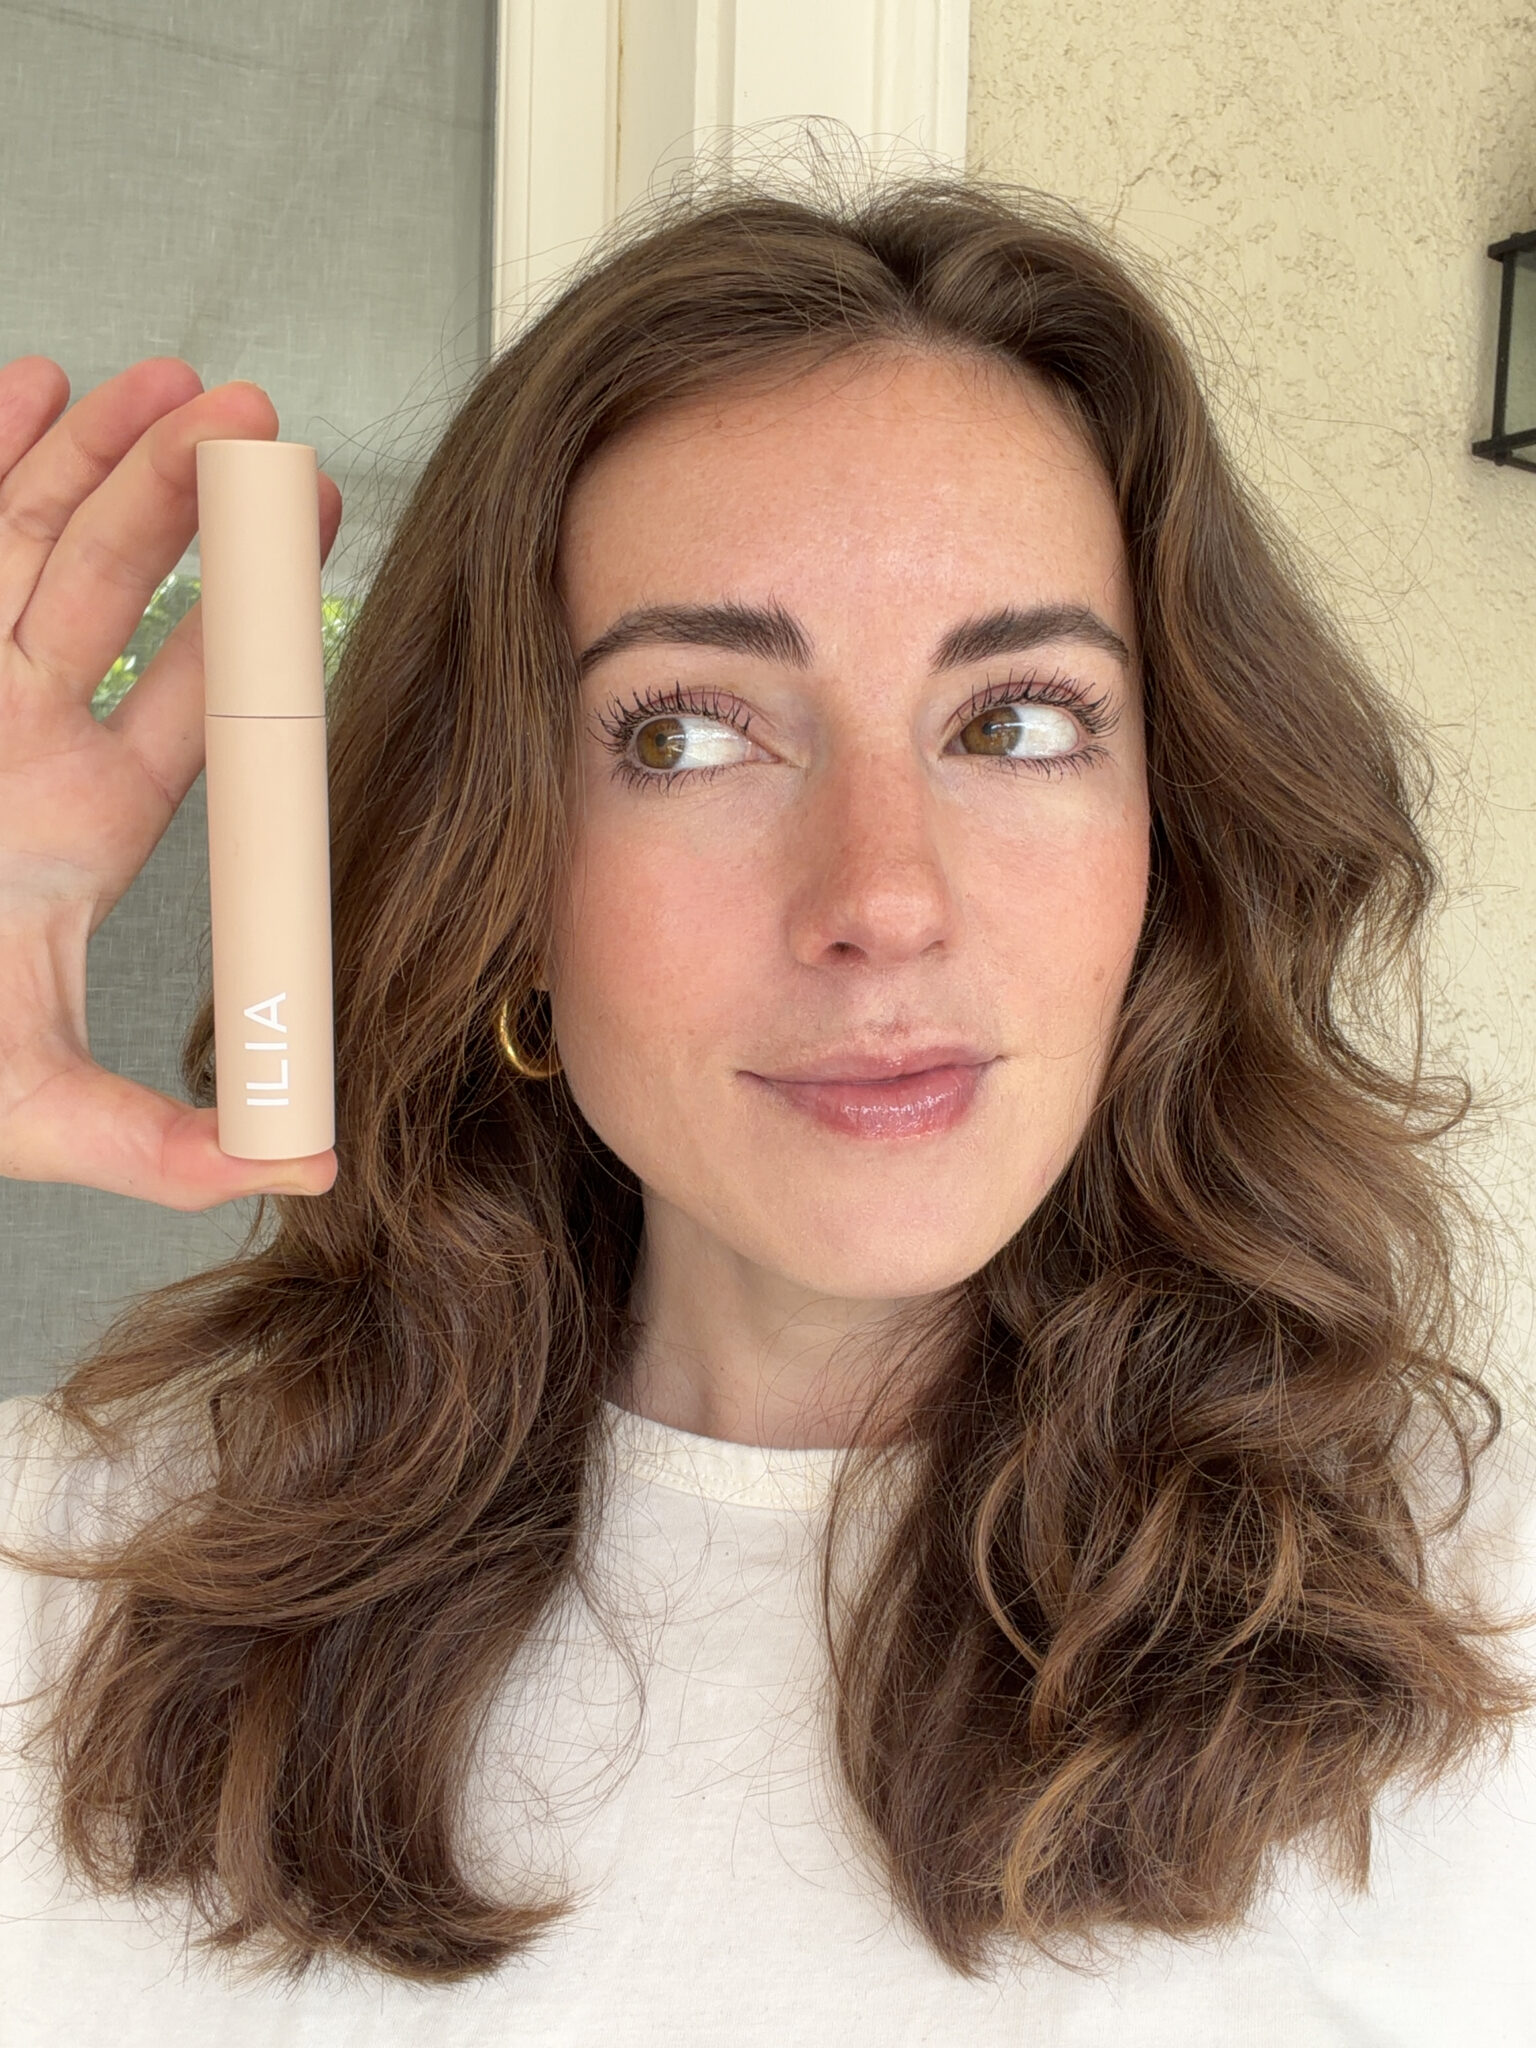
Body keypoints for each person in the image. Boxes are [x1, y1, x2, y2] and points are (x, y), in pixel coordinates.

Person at [1, 167, 1534, 2043]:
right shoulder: (74, 1590)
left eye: (1019, 718)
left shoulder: (1482, 1634)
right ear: (507, 864)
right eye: (684, 730)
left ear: (1172, 842)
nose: (882, 898)